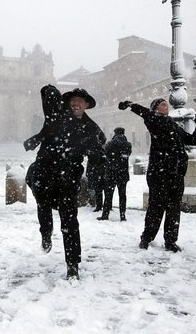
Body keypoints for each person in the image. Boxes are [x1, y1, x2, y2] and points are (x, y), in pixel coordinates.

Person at [24, 86, 106, 280]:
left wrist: (97, 168)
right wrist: (52, 91)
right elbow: (47, 93)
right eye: (73, 100)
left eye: (81, 101)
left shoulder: (91, 127)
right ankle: (46, 232)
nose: (76, 103)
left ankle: (72, 265)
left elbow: (97, 152)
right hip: (45, 171)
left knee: (69, 221)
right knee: (43, 205)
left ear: (86, 105)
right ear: (68, 102)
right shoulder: (57, 114)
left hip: (68, 178)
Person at [119, 98, 196, 252]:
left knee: (173, 209)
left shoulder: (175, 125)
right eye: (162, 104)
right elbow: (144, 113)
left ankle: (170, 241)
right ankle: (146, 238)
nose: (166, 105)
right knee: (156, 208)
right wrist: (132, 105)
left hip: (176, 174)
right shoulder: (154, 121)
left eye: (166, 103)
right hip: (160, 173)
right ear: (155, 109)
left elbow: (191, 140)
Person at [98, 127, 132, 222]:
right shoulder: (127, 145)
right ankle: (122, 215)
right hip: (123, 173)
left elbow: (105, 154)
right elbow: (127, 155)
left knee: (108, 195)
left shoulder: (110, 144)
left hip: (111, 172)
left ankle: (105, 214)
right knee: (122, 195)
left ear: (115, 133)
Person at [85, 128, 108, 212]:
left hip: (98, 171)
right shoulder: (101, 148)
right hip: (102, 171)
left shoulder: (93, 148)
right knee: (103, 189)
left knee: (99, 189)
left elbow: (91, 161)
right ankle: (105, 205)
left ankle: (100, 205)